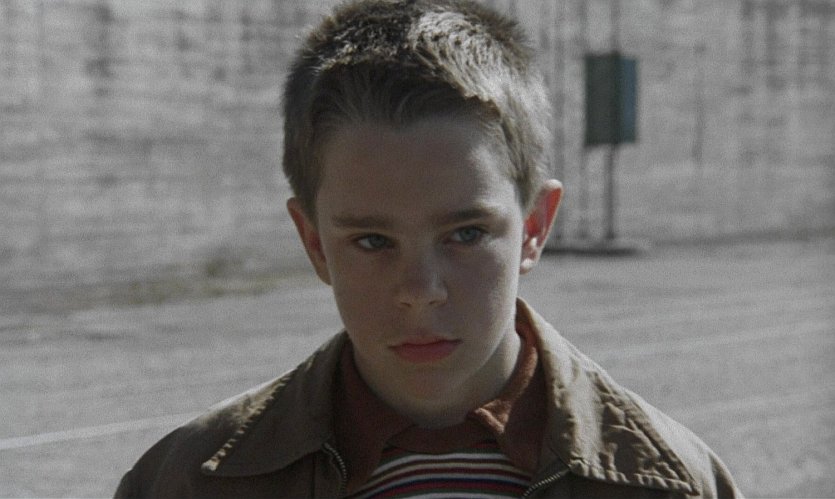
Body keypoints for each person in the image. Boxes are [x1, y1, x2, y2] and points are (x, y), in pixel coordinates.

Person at [115, 0, 741, 497]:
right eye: (372, 241)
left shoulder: (672, 485)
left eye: (466, 234)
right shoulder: (189, 482)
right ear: (314, 243)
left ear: (533, 228)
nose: (420, 290)